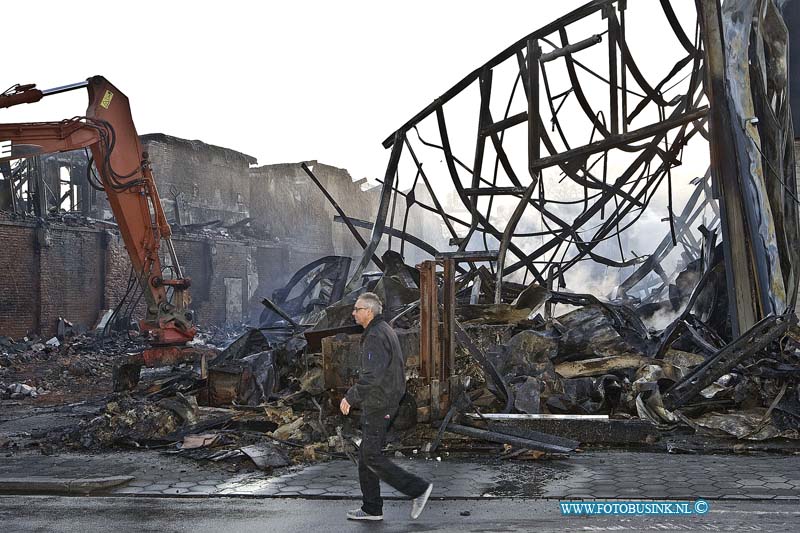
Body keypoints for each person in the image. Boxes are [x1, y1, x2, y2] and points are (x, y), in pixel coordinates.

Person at [339, 292, 433, 521]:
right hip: (384, 400)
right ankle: (372, 508)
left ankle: (417, 489)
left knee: (370, 456)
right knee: (366, 455)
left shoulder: (375, 336)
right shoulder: (383, 330)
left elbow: (372, 376)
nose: (354, 313)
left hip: (380, 403)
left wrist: (350, 397)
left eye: (357, 309)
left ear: (369, 311)